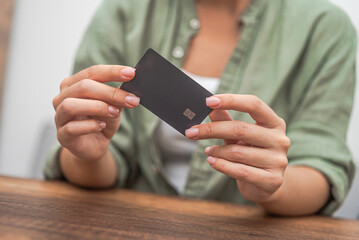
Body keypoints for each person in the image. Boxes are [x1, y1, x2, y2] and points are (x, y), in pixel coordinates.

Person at [44, 0, 357, 216]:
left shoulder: (324, 29)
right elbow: (101, 161)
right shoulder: (126, 10)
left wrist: (274, 186)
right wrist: (85, 154)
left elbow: (322, 166)